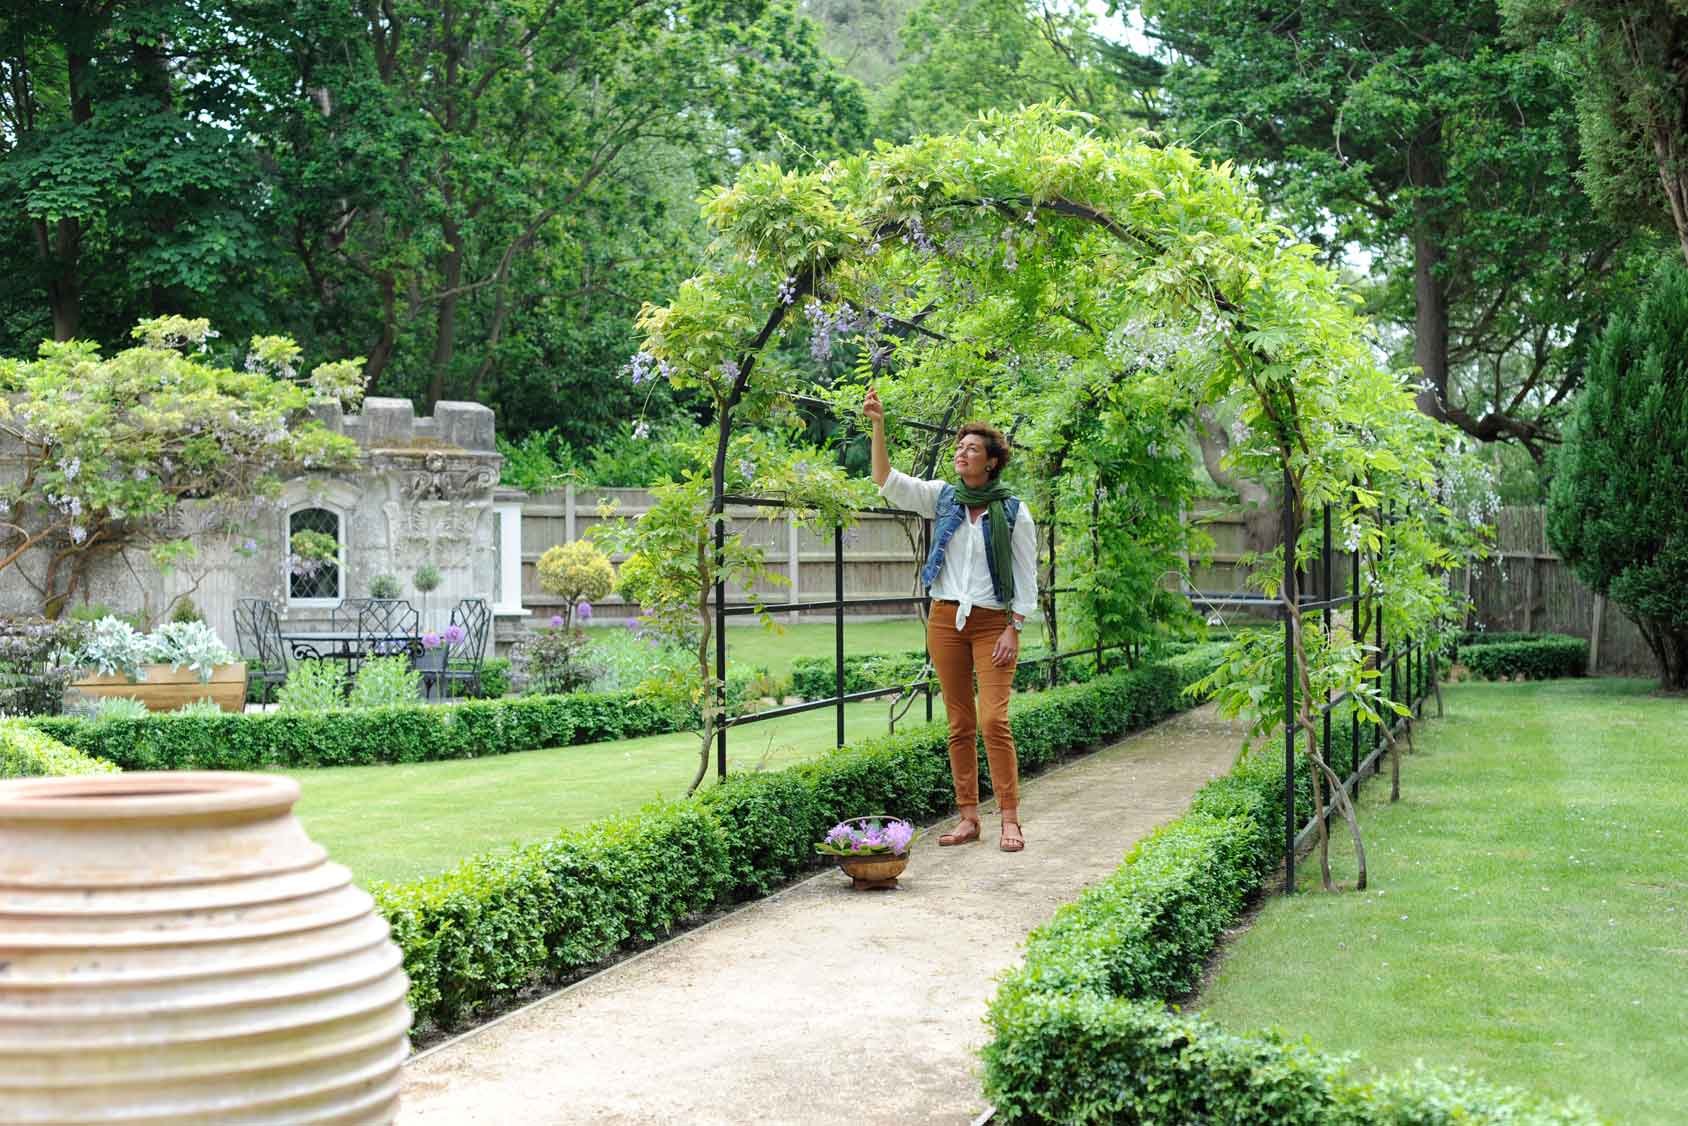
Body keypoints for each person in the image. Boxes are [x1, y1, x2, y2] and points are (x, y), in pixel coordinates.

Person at [863, 386, 1038, 852]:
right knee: (959, 723)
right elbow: (886, 479)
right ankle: (967, 817)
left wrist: (1013, 628)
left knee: (993, 722)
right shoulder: (943, 497)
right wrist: (878, 425)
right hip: (945, 621)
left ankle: (1010, 818)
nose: (961, 453)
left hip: (992, 623)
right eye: (959, 447)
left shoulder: (1015, 513)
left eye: (972, 449)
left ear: (992, 461)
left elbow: (1026, 577)